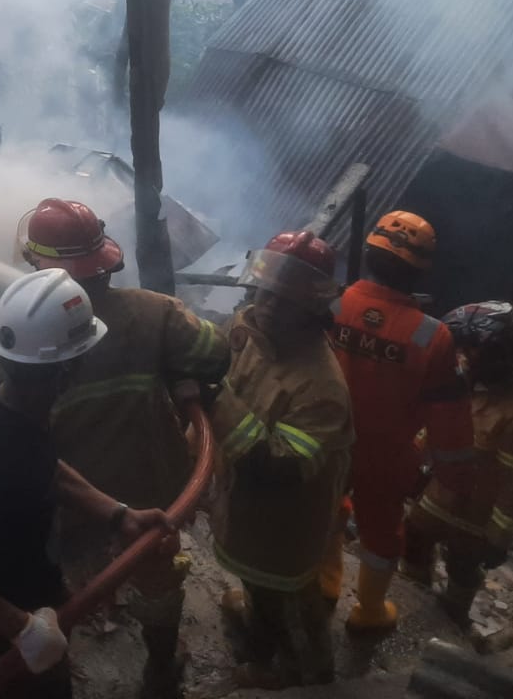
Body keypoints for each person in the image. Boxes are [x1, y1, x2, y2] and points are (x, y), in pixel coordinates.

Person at [0, 268, 173, 697]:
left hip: (24, 576)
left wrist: (119, 515)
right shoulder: (4, 471)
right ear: (67, 371)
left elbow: (47, 467)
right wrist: (24, 630)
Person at [18, 198, 230, 696]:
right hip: (150, 491)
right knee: (157, 579)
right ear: (104, 262)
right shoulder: (154, 313)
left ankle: (63, 664)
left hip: (69, 496)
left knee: (66, 587)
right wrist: (180, 375)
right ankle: (159, 667)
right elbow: (216, 352)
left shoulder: (30, 333)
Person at [210, 231, 354, 688]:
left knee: (291, 600)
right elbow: (226, 360)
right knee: (259, 587)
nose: (268, 306)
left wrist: (215, 396)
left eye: (284, 301)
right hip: (244, 506)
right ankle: (258, 624)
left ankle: (300, 672)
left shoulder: (322, 389)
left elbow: (278, 468)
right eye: (265, 292)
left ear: (312, 307)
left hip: (284, 523)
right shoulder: (251, 328)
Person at [323, 210, 475, 634]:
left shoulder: (334, 304)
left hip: (328, 439)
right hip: (386, 455)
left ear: (370, 254)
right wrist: (455, 478)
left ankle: (323, 587)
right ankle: (369, 611)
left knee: (325, 510)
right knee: (382, 534)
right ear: (422, 269)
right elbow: (448, 417)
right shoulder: (432, 335)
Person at [402, 302, 513, 624]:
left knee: (463, 566)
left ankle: (452, 619)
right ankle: (412, 606)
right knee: (413, 540)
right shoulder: (466, 380)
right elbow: (435, 426)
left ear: (498, 356)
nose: (461, 356)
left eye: (470, 349)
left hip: (476, 517)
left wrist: (498, 540)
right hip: (441, 493)